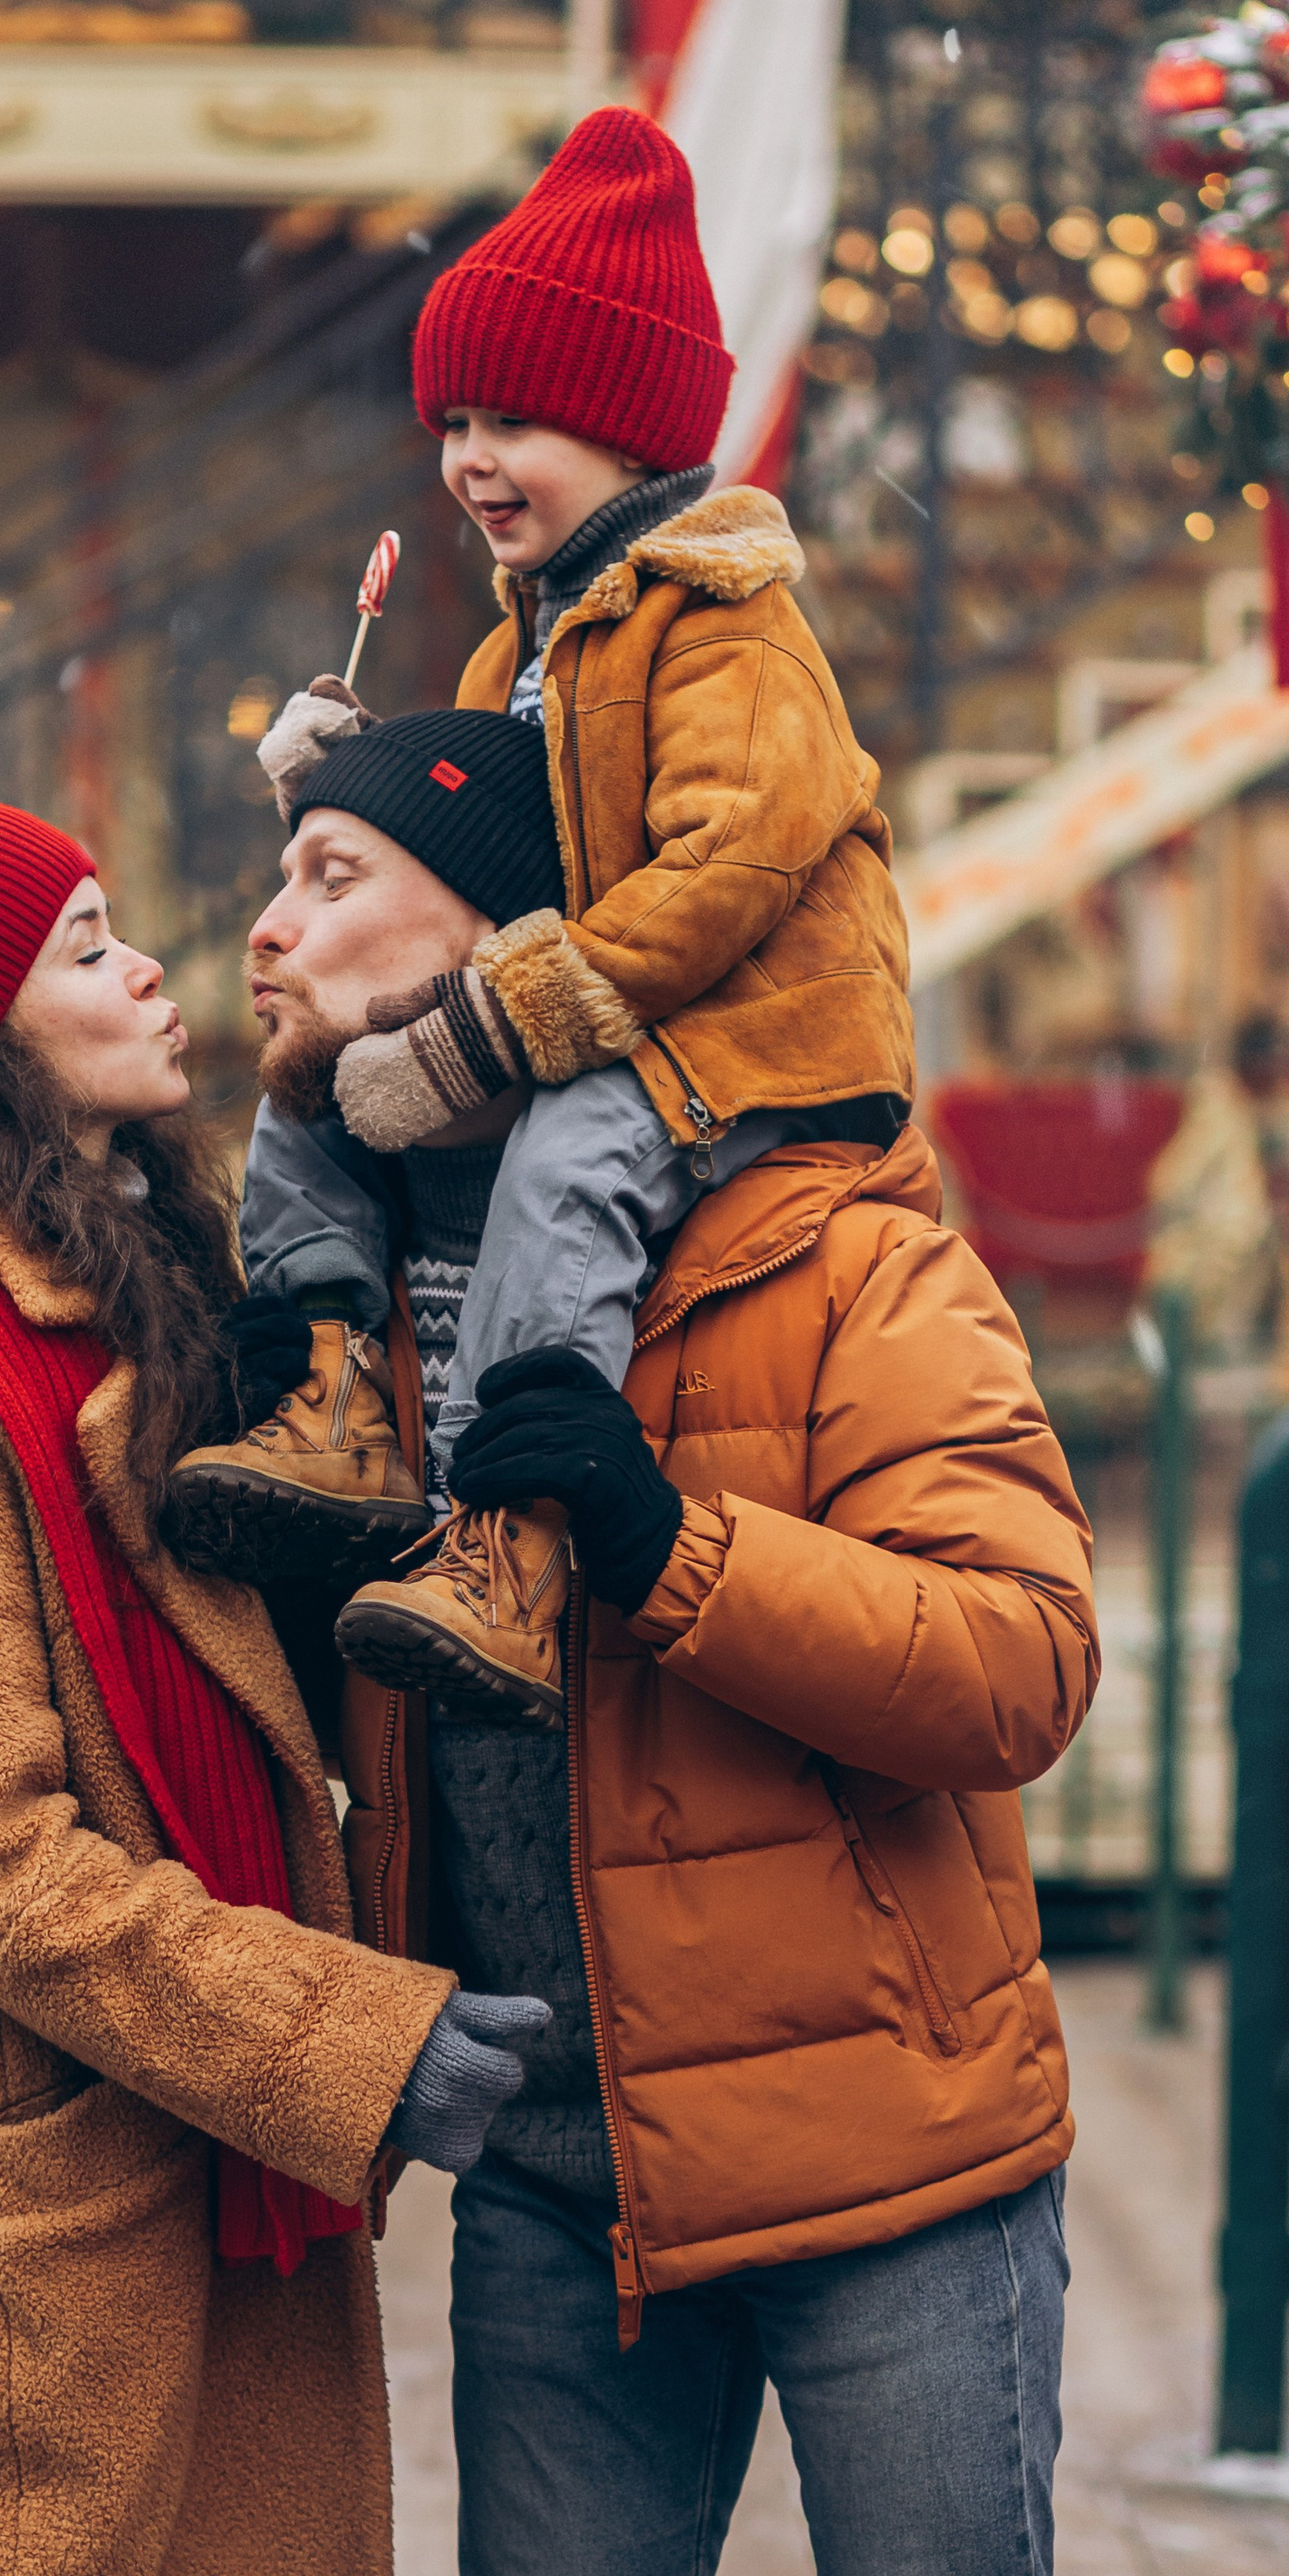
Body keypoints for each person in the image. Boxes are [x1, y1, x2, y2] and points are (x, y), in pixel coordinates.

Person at [167, 745, 1099, 2576]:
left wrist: (666, 1542)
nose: (268, 925)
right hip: (551, 2168)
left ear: (506, 934)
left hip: (889, 2165)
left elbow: (1018, 1661)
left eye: (334, 872)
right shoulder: (311, 1321)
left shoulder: (827, 1246)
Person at [0, 793, 551, 2576]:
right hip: (33, 2281)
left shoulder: (133, 1322)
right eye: (84, 945)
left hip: (170, 2202)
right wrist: (352, 2036)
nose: (148, 962)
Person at [173, 105, 914, 1723]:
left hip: (750, 1033)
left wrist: (511, 1017)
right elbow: (495, 846)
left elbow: (723, 875)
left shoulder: (728, 629)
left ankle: (510, 1530)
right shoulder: (524, 641)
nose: (469, 460)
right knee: (318, 1067)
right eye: (452, 421)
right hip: (610, 1006)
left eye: (516, 419)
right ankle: (328, 1383)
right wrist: (358, 781)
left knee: (573, 1161)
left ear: (631, 430)